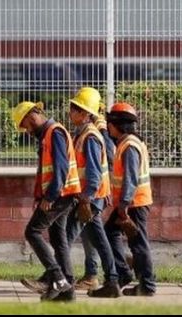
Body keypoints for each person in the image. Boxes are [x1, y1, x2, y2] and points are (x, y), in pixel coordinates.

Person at [12, 101, 80, 302]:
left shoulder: (55, 133)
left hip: (60, 195)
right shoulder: (48, 135)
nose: (26, 131)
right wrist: (41, 196)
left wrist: (49, 197)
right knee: (58, 240)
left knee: (32, 232)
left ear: (31, 117)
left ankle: (57, 278)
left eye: (25, 125)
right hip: (62, 194)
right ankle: (67, 292)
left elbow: (60, 169)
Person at [65, 87, 123, 298]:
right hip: (90, 197)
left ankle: (57, 278)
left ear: (84, 113)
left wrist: (86, 198)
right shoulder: (83, 134)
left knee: (66, 236)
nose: (70, 113)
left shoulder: (90, 136)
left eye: (74, 109)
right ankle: (113, 280)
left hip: (90, 197)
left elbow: (94, 172)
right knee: (98, 239)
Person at [103, 102, 157, 297]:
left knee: (138, 244)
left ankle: (147, 285)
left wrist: (124, 204)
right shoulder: (129, 142)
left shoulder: (129, 145)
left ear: (118, 124)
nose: (108, 126)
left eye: (110, 122)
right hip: (131, 203)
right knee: (110, 233)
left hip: (134, 203)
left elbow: (131, 178)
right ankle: (124, 273)